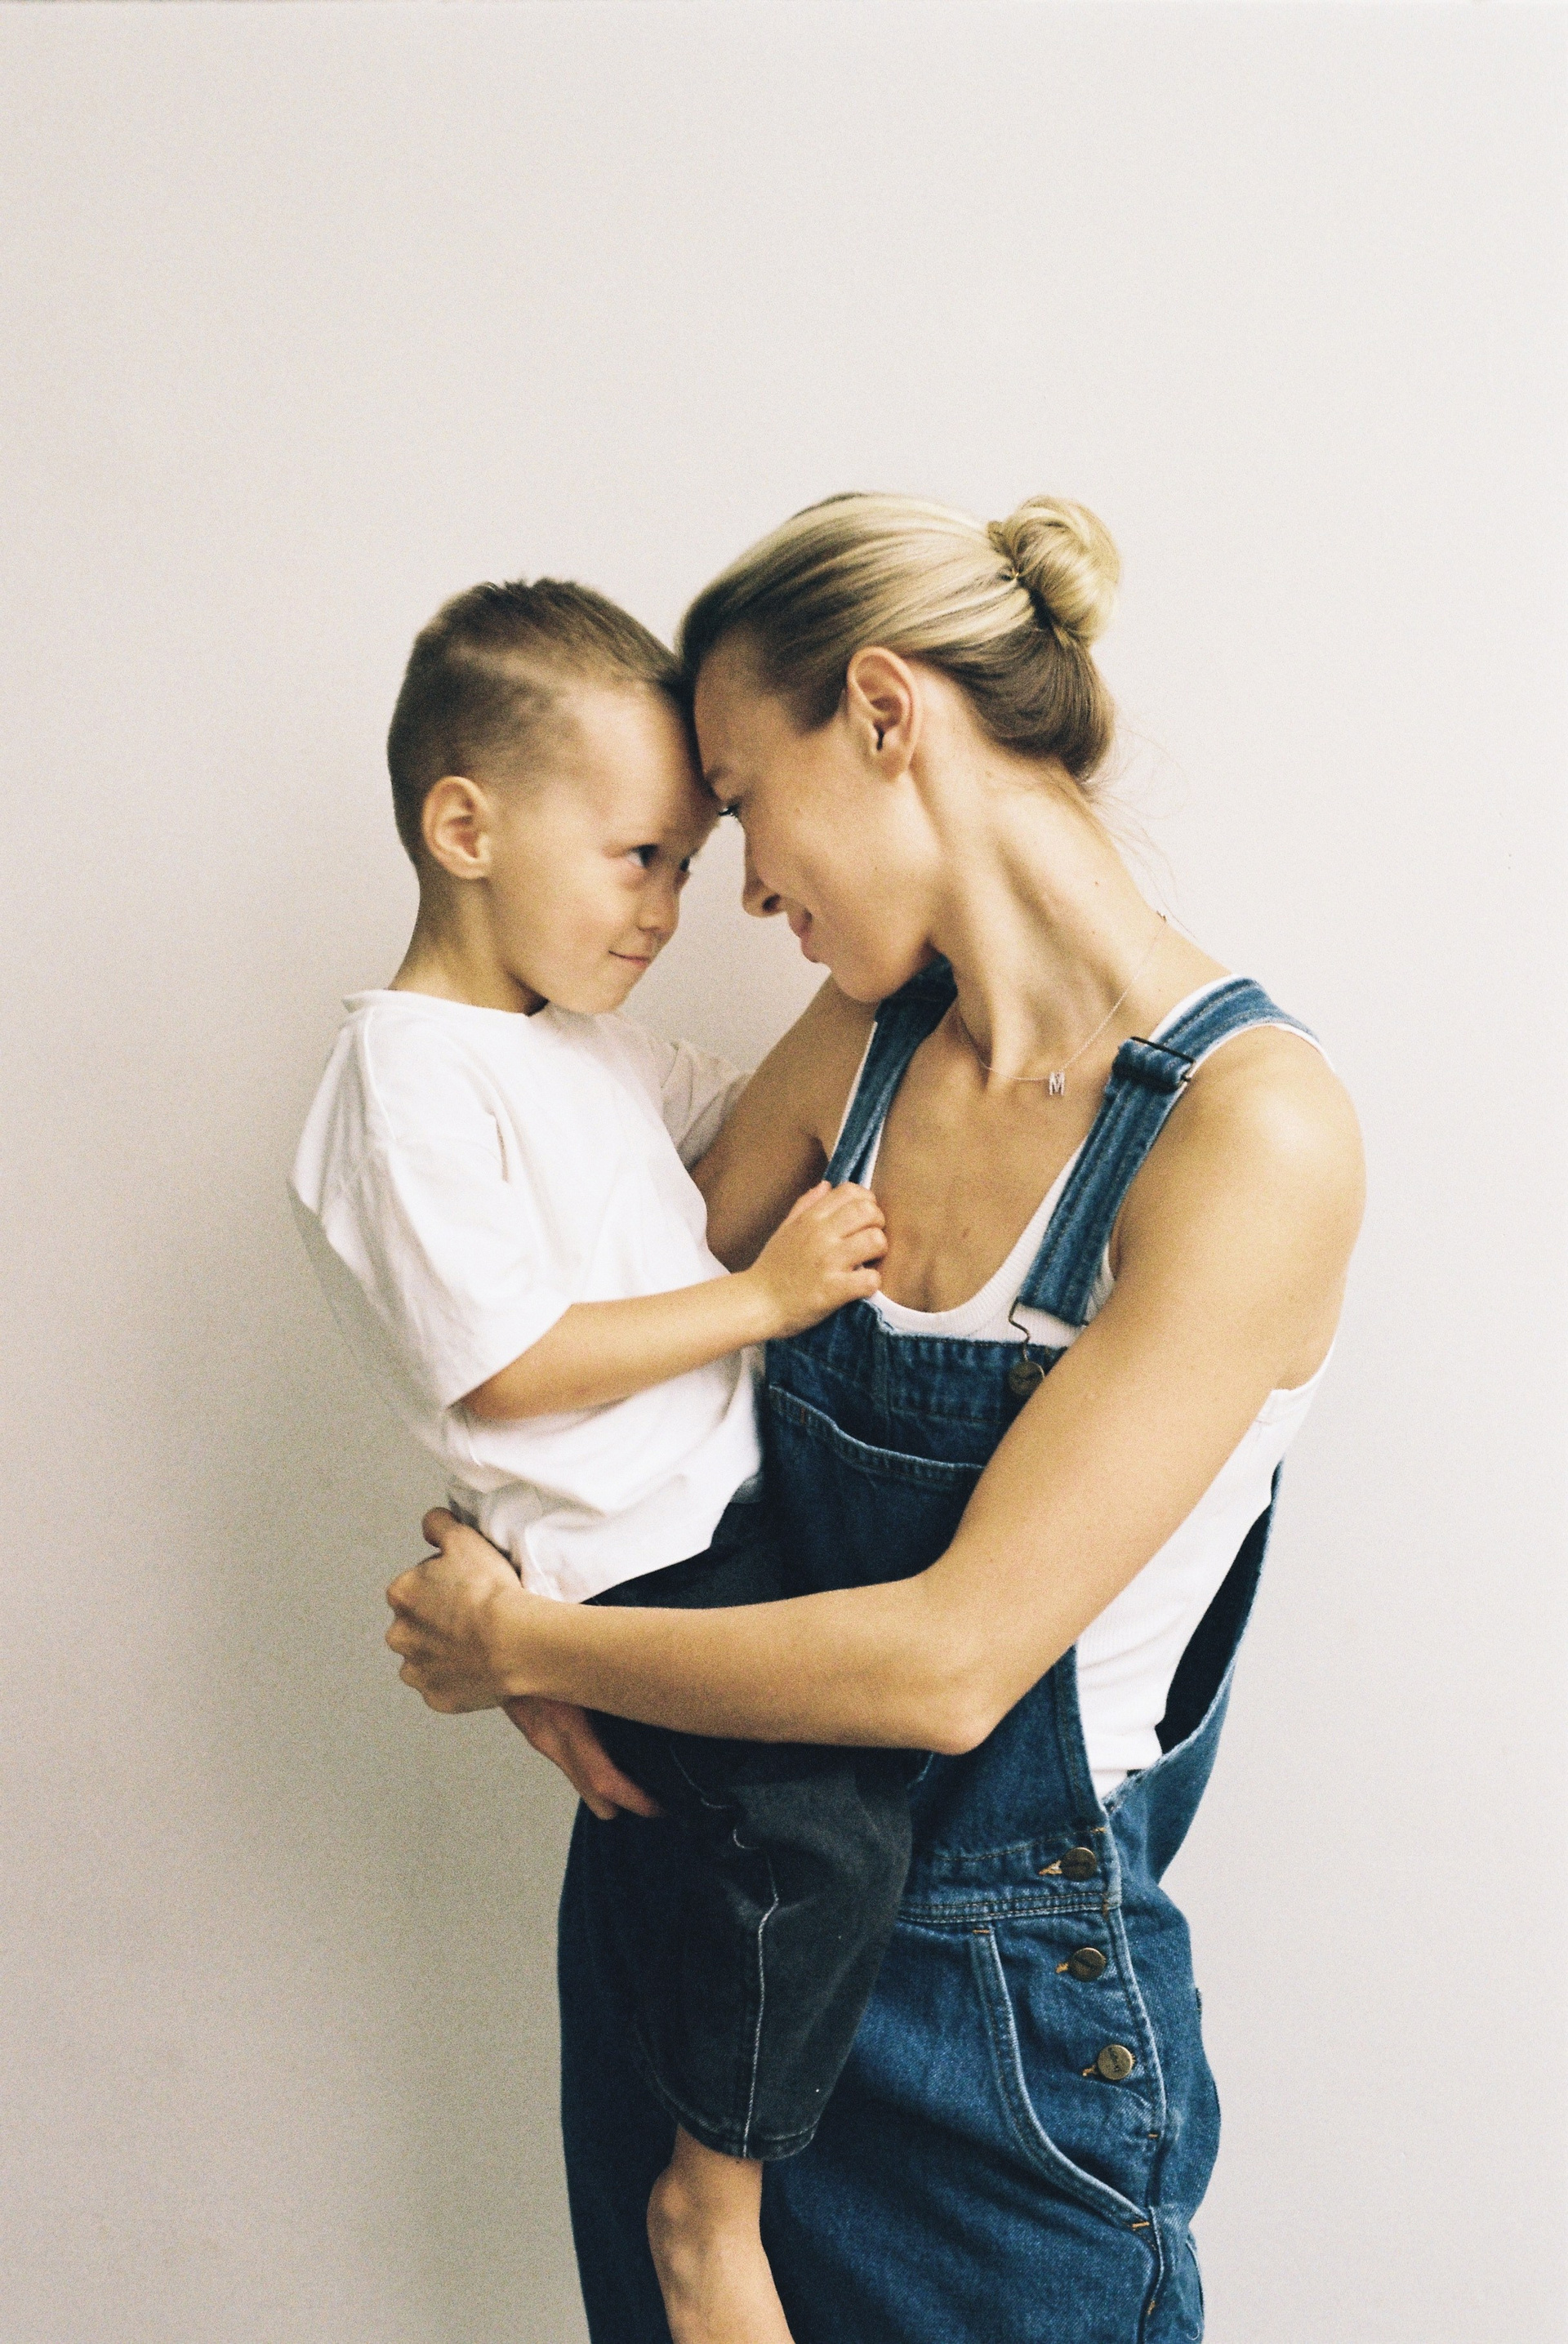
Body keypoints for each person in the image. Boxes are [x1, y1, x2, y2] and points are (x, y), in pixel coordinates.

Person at [385, 494, 1365, 2344]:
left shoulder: (1254, 1138)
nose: (743, 893)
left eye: (741, 801)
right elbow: (584, 1355)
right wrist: (512, 1574)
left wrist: (524, 1640)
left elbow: (949, 1666)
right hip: (702, 1920)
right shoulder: (863, 1044)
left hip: (990, 2040)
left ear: (888, 712)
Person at [289, 577, 917, 2344]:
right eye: (638, 857)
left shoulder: (572, 1045)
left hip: (710, 1525)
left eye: (691, 863)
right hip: (630, 1565)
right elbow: (504, 1368)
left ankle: (714, 2172)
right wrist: (761, 1300)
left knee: (800, 1839)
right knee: (824, 1833)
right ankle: (710, 2203)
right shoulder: (409, 1075)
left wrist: (901, 958)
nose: (667, 908)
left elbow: (753, 1109)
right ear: (465, 828)